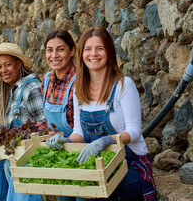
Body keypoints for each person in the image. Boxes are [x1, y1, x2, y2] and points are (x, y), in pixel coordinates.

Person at [47, 26, 157, 201]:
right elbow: (79, 134)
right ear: (81, 54)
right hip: (97, 162)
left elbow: (135, 133)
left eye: (100, 48)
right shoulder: (79, 89)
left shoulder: (123, 85)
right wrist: (65, 140)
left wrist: (106, 140)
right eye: (88, 49)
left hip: (129, 163)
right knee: (66, 190)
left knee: (94, 190)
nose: (93, 54)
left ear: (109, 52)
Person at [0, 42, 45, 201]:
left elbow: (44, 125)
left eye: (7, 65)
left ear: (18, 63)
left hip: (28, 150)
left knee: (1, 165)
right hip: (14, 147)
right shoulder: (15, 88)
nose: (3, 70)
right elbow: (13, 124)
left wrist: (22, 140)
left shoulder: (32, 88)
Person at [41, 29, 77, 201]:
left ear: (72, 51)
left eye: (60, 49)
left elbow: (85, 126)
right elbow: (45, 119)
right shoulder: (47, 79)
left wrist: (62, 137)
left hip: (77, 149)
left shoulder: (79, 81)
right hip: (53, 147)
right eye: (49, 50)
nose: (54, 55)